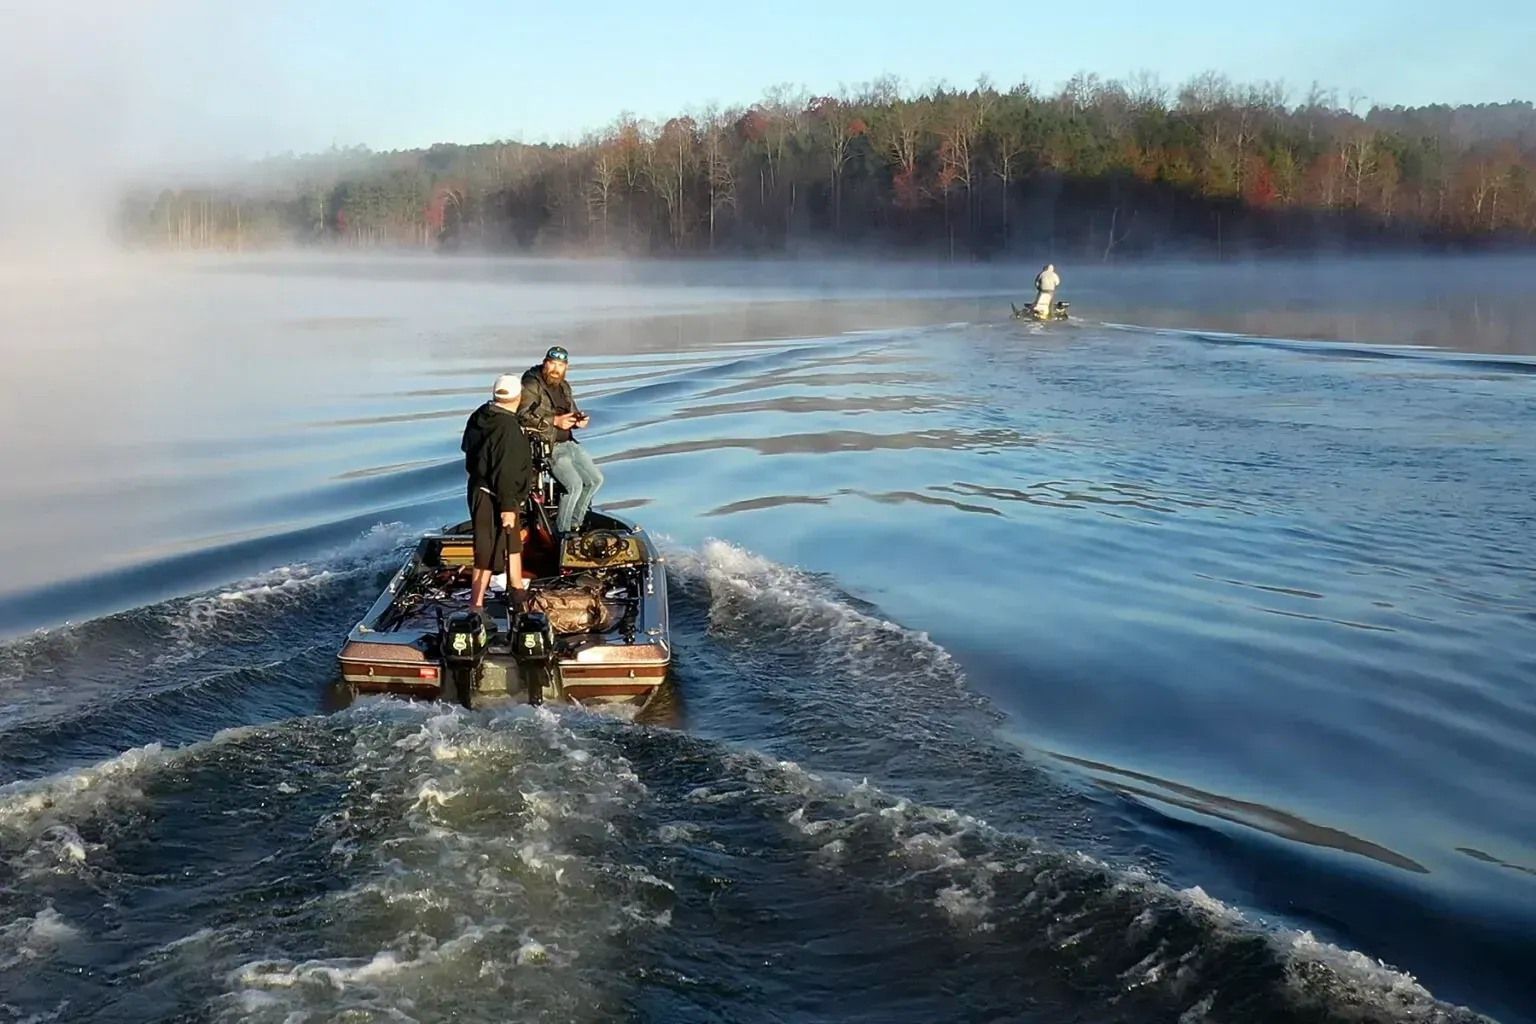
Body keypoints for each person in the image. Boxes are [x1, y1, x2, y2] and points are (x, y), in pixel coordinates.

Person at [461, 373, 534, 620]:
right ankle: (476, 604)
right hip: (499, 494)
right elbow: (506, 470)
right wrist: (507, 506)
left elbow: (468, 452)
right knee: (486, 549)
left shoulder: (480, 415)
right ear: (519, 398)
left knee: (512, 539)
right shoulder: (509, 429)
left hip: (478, 488)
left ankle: (516, 585)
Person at [519, 345, 604, 535]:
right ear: (545, 363)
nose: (556, 370)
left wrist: (578, 421)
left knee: (595, 480)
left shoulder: (564, 386)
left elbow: (571, 412)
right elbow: (522, 415)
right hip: (548, 446)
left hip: (569, 443)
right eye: (552, 364)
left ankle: (575, 523)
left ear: (566, 367)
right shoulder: (531, 384)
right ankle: (562, 533)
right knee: (574, 485)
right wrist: (555, 421)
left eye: (560, 365)